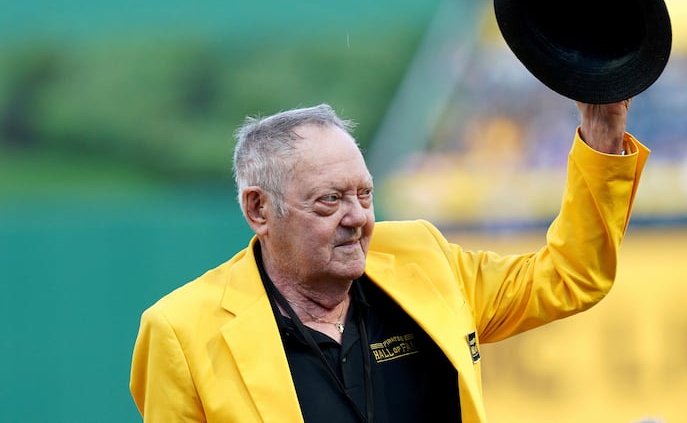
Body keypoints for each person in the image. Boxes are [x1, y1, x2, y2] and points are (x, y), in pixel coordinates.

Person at [130, 100, 648, 422]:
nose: (357, 218)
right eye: (329, 201)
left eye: (365, 194)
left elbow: (571, 277)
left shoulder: (422, 257)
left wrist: (603, 134)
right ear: (259, 209)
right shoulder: (181, 331)